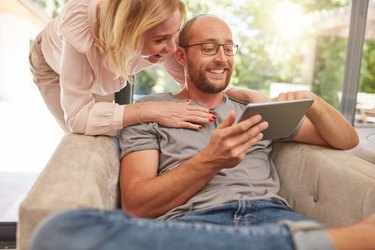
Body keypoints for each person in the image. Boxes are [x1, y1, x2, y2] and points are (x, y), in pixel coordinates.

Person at [29, 15, 375, 250]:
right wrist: (212, 159)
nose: (221, 58)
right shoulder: (151, 111)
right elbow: (137, 206)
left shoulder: (252, 108)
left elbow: (346, 140)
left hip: (272, 217)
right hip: (193, 227)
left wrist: (313, 101)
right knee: (60, 231)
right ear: (181, 55)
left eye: (228, 48)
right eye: (208, 48)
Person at [29, 0, 255, 136]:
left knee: (111, 131)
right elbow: (78, 118)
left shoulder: (164, 21)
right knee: (85, 135)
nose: (173, 47)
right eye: (160, 40)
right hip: (52, 63)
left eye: (173, 34)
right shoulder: (81, 25)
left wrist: (248, 96)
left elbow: (199, 86)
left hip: (110, 56)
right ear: (128, 34)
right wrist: (152, 110)